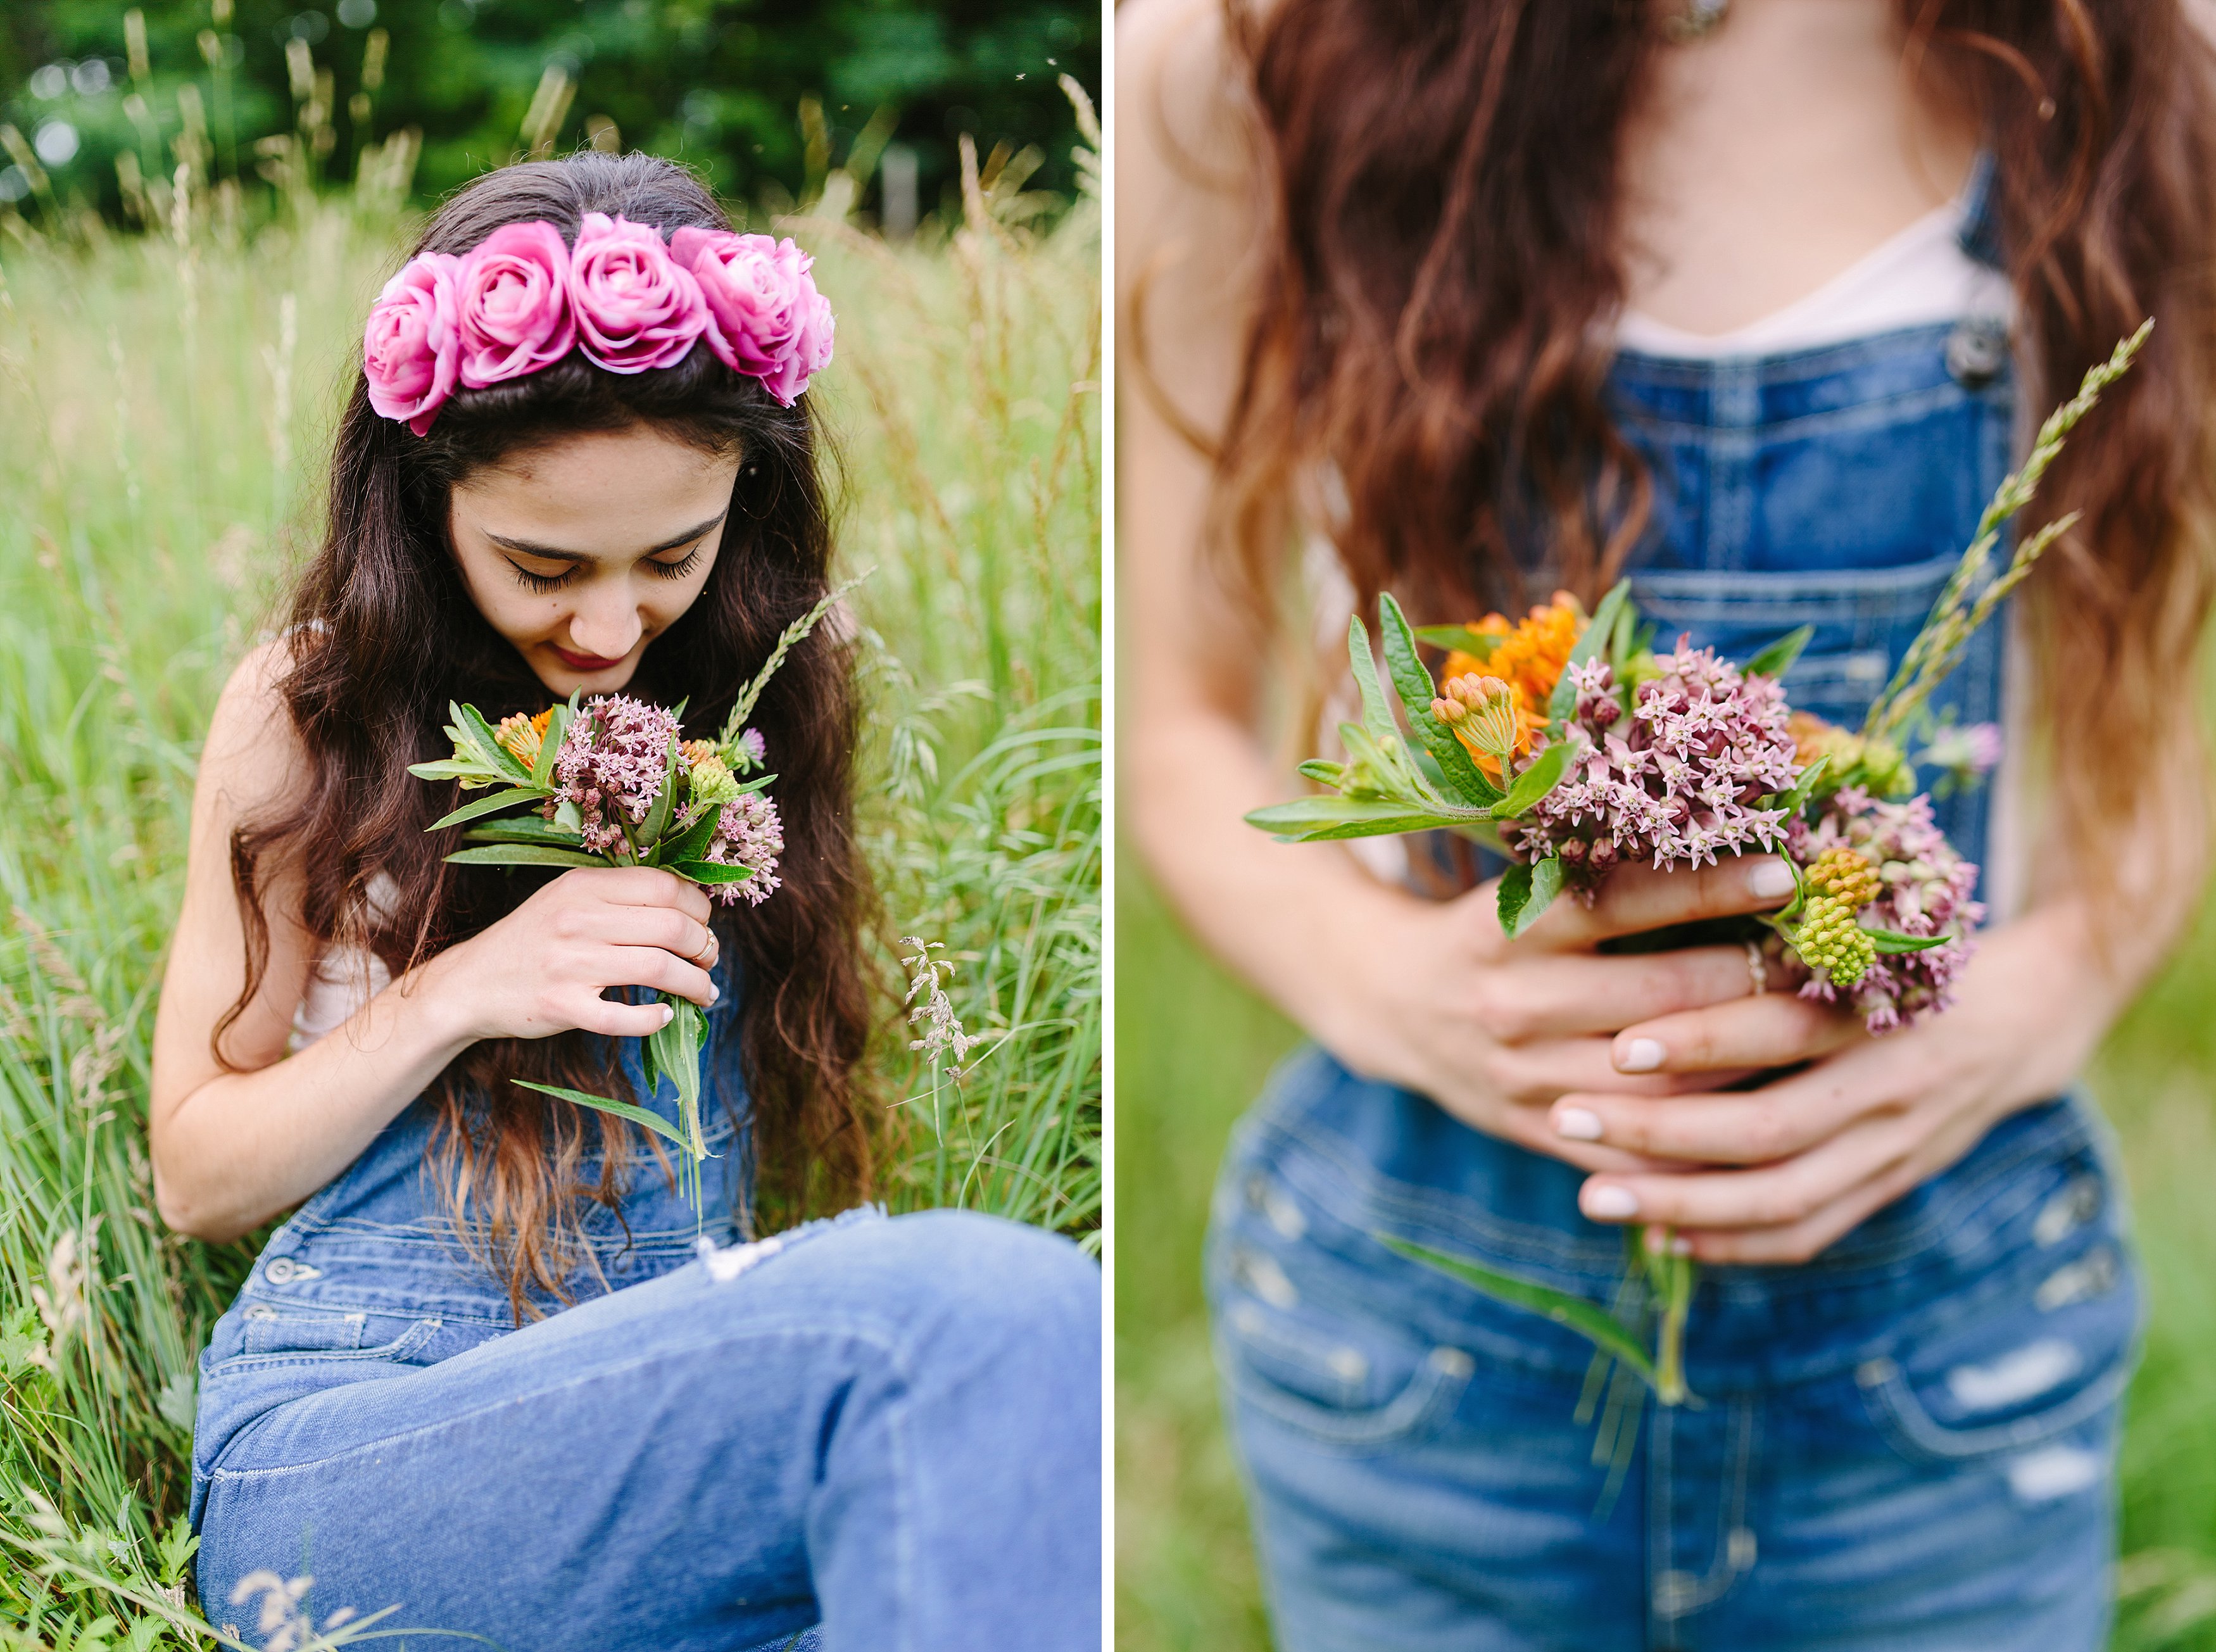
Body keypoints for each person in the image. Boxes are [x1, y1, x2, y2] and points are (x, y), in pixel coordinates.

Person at [1119, 1, 2215, 1646]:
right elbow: (1178, 734)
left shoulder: (2121, 54)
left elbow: (2155, 759)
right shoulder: (1250, 56)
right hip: (1418, 1360)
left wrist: (2031, 1003)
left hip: (1938, 1365)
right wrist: (1399, 989)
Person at [150, 151, 1099, 1651]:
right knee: (992, 1317)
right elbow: (195, 1177)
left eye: (671, 555)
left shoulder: (759, 694)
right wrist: (458, 990)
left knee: (989, 1498)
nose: (606, 624)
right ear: (424, 501)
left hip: (660, 1450)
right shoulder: (310, 704)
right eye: (541, 564)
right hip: (362, 1442)